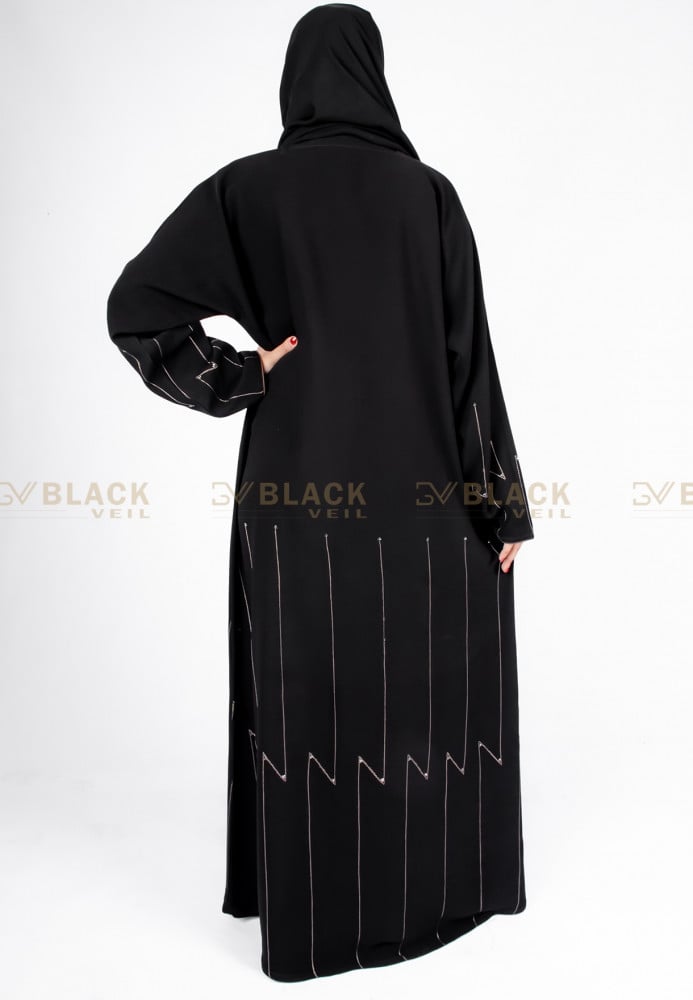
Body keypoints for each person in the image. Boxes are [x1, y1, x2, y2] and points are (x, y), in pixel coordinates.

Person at [106, 2, 534, 983]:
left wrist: (237, 376)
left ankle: (315, 919)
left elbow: (136, 307)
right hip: (427, 499)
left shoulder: (247, 191)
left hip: (297, 497)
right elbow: (469, 362)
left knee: (309, 692)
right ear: (374, 75)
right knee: (428, 685)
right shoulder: (428, 195)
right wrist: (500, 507)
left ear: (295, 79)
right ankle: (441, 894)